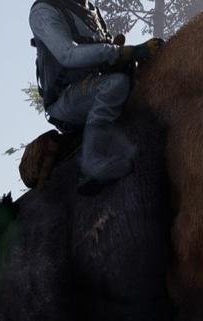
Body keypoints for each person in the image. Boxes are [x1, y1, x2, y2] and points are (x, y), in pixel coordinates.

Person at [29, 0, 164, 195]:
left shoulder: (90, 10)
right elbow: (69, 54)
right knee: (114, 85)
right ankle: (91, 163)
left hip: (93, 83)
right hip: (64, 99)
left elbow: (103, 51)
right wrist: (126, 52)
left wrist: (126, 60)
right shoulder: (44, 10)